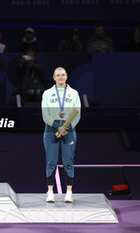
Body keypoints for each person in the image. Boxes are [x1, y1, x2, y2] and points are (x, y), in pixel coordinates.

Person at [41, 67, 81, 203]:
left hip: (69, 129)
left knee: (68, 162)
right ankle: (50, 192)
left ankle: (69, 193)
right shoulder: (47, 93)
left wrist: (66, 127)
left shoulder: (74, 93)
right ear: (54, 78)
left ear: (66, 76)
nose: (60, 77)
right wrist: (59, 127)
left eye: (63, 74)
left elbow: (77, 112)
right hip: (51, 129)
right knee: (51, 162)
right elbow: (45, 115)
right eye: (58, 75)